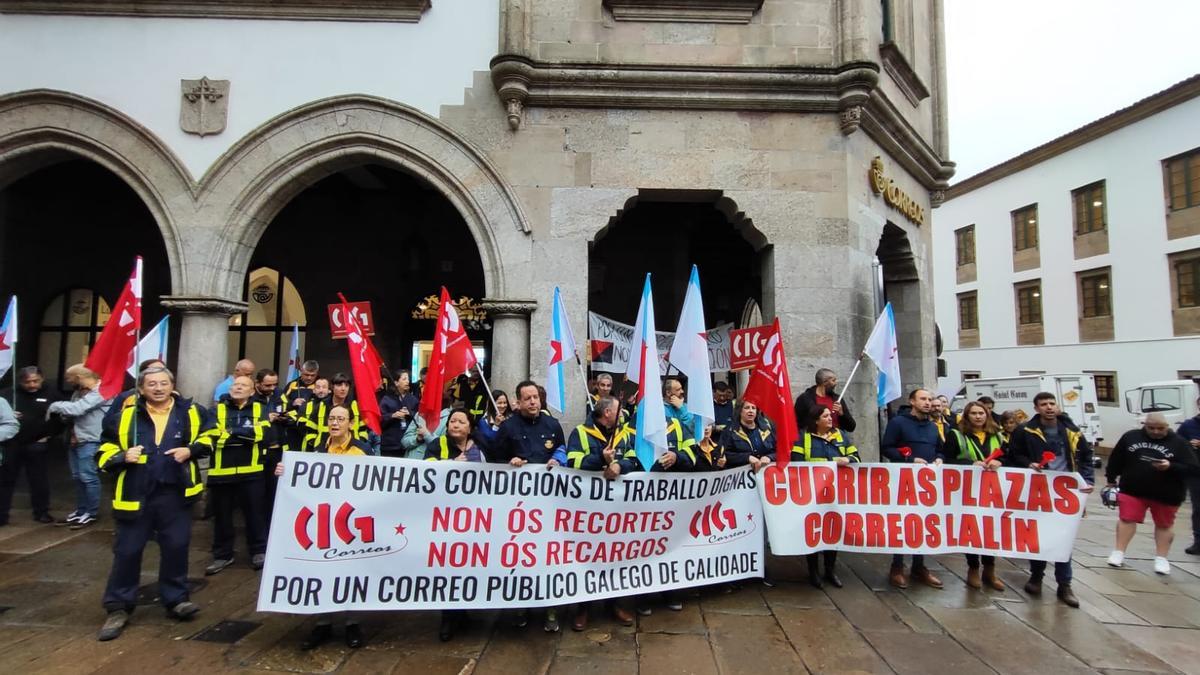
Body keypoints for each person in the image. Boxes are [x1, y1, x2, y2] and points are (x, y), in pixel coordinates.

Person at [95, 366, 215, 641]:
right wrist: (122, 457)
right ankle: (118, 605)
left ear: (172, 385)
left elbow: (212, 435)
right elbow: (103, 450)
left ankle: (176, 599)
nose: (158, 388)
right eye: (152, 384)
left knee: (176, 547)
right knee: (127, 550)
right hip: (135, 494)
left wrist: (191, 450)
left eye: (163, 383)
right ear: (141, 388)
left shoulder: (192, 412)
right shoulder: (124, 416)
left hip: (175, 493)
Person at [274, 404, 368, 651]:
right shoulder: (317, 450)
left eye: (340, 419)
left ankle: (352, 622)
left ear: (350, 423)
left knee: (350, 571)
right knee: (323, 569)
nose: (335, 423)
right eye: (331, 419)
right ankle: (322, 622)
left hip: (351, 522)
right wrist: (287, 471)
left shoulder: (362, 450)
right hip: (324, 521)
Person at [491, 380, 567, 632]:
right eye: (528, 398)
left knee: (548, 556)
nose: (533, 402)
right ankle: (521, 605)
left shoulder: (552, 424)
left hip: (549, 504)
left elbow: (562, 448)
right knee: (522, 555)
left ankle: (551, 608)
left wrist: (558, 460)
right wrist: (509, 462)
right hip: (519, 507)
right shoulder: (508, 427)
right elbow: (494, 458)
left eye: (536, 397)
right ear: (519, 402)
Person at [1007, 391, 1094, 607]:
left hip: (1066, 491)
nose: (1049, 407)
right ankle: (1036, 576)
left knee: (1064, 537)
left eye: (1052, 403)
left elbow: (1085, 457)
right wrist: (1028, 464)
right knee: (1038, 535)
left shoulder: (1072, 430)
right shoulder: (1024, 430)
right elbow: (1014, 454)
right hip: (1038, 489)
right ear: (1036, 408)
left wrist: (1087, 480)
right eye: (1044, 404)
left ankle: (1065, 584)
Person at [565, 395, 639, 630]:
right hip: (588, 510)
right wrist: (600, 459)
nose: (622, 414)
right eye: (618, 410)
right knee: (587, 556)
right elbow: (572, 462)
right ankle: (583, 608)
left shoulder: (622, 433)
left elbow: (633, 459)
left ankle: (614, 603)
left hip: (616, 509)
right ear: (607, 413)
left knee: (613, 555)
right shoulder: (580, 432)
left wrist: (618, 465)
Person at [1104, 413, 1199, 574]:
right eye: (1151, 428)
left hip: (1167, 493)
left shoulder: (1179, 443)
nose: (1156, 431)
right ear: (1144, 425)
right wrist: (1111, 479)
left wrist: (1170, 466)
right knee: (1127, 519)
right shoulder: (1131, 436)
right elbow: (1116, 459)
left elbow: (1192, 468)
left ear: (1167, 426)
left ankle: (1161, 558)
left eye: (1160, 428)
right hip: (1133, 489)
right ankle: (1118, 552)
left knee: (1164, 525)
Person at [425, 409, 483, 641]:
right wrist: (449, 464)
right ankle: (448, 617)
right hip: (446, 516)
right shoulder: (437, 445)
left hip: (476, 516)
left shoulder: (481, 446)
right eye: (452, 421)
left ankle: (464, 610)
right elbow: (425, 470)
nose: (455, 425)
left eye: (461, 421)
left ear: (470, 427)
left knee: (469, 564)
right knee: (449, 566)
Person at [205, 375, 270, 576]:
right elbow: (211, 436)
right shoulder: (216, 410)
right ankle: (222, 555)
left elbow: (262, 435)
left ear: (252, 391)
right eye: (236, 384)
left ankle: (258, 551)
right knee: (222, 516)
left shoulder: (260, 409)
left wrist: (229, 432)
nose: (238, 388)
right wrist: (245, 433)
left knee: (255, 515)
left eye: (243, 385)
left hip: (252, 473)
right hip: (221, 473)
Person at [789, 405, 858, 589]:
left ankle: (830, 570)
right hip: (812, 493)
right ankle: (813, 571)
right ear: (816, 420)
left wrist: (848, 460)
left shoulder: (840, 435)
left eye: (830, 415)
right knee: (813, 531)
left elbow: (856, 457)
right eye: (826, 416)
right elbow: (796, 462)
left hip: (835, 493)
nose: (830, 418)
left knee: (832, 530)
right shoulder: (803, 437)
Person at [881, 388, 944, 589]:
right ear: (912, 402)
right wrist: (909, 460)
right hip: (903, 481)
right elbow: (887, 448)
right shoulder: (898, 423)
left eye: (930, 399)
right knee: (902, 521)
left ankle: (919, 565)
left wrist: (939, 459)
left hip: (926, 484)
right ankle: (897, 566)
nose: (928, 402)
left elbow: (940, 449)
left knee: (923, 522)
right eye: (923, 399)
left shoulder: (933, 426)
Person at [943, 401, 1006, 591]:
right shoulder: (956, 435)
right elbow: (948, 459)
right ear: (967, 416)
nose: (978, 417)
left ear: (987, 415)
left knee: (990, 528)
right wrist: (969, 464)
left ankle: (990, 569)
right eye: (974, 413)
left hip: (992, 491)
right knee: (970, 528)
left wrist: (1000, 462)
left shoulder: (998, 435)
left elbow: (1009, 457)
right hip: (967, 489)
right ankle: (973, 568)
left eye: (981, 413)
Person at [47, 365, 111, 529]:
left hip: (91, 439)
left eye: (70, 377)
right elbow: (69, 413)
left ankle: (91, 513)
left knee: (88, 477)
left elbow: (77, 409)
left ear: (79, 377)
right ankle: (81, 510)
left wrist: (54, 406)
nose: (68, 381)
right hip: (76, 439)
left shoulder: (102, 390)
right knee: (78, 477)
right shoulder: (79, 392)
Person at [0, 366, 60, 525]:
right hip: (11, 443)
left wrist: (50, 435)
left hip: (37, 443)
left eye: (35, 381)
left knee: (38, 480)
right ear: (20, 381)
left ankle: (42, 512)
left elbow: (61, 419)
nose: (32, 385)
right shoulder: (8, 394)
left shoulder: (51, 393)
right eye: (27, 382)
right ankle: (2, 515)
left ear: (42, 378)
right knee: (6, 480)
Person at [251, 368, 286, 522]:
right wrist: (266, 419)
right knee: (257, 495)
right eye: (267, 385)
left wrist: (286, 417)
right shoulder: (251, 399)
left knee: (274, 492)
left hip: (277, 450)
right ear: (257, 383)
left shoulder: (279, 394)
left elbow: (289, 410)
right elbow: (248, 424)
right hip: (257, 452)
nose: (272, 388)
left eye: (274, 384)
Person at [793, 368, 857, 434]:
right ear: (825, 382)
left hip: (836, 438)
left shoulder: (837, 399)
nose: (836, 383)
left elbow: (851, 427)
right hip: (814, 438)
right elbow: (796, 423)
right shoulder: (805, 399)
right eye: (833, 380)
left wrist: (842, 414)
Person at [720, 399, 775, 472]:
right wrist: (747, 458)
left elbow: (780, 451)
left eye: (753, 408)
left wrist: (769, 457)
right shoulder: (730, 431)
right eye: (747, 408)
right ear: (740, 411)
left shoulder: (766, 429)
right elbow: (725, 455)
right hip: (740, 475)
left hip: (765, 475)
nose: (750, 411)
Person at [280, 360, 320, 452]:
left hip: (313, 428)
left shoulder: (321, 385)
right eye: (306, 374)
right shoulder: (292, 385)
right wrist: (292, 403)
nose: (309, 378)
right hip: (293, 428)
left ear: (317, 373)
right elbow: (280, 403)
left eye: (312, 375)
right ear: (301, 370)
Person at [1177, 399, 1200, 555]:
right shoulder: (1188, 425)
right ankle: (1198, 542)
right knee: (1198, 508)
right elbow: (1176, 444)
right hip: (1196, 473)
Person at [379, 370, 420, 457]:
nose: (407, 381)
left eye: (408, 379)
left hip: (407, 444)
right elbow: (380, 419)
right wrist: (392, 415)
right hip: (389, 445)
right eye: (404, 379)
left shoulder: (413, 400)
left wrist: (410, 413)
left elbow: (419, 417)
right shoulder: (387, 399)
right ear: (396, 383)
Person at [473, 389, 509, 457]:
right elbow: (490, 441)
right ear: (492, 404)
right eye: (499, 403)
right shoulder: (483, 421)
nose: (503, 406)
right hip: (492, 458)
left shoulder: (510, 417)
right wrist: (496, 426)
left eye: (505, 403)